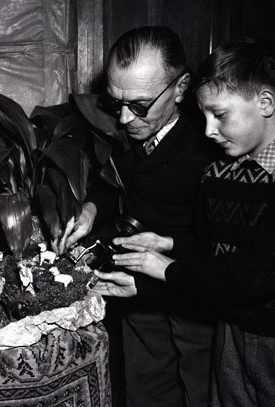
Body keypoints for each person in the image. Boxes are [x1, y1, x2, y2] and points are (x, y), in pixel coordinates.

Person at [93, 37, 275, 407]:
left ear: (265, 103)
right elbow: (216, 253)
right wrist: (168, 246)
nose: (208, 131)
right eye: (204, 116)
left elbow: (253, 275)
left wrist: (164, 269)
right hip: (230, 327)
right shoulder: (223, 172)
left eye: (219, 115)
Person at [65, 26, 220, 407]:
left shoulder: (213, 143)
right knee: (145, 389)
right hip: (135, 290)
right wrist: (90, 209)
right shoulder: (132, 126)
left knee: (202, 390)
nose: (122, 118)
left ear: (180, 88)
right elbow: (113, 183)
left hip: (195, 293)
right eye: (115, 101)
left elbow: (220, 248)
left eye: (139, 105)